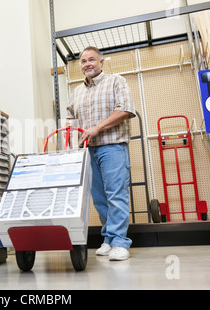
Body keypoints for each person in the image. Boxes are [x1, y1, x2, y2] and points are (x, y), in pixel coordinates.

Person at [67, 46, 136, 261]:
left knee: (116, 193)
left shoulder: (116, 81)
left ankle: (120, 242)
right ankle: (108, 238)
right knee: (99, 197)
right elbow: (71, 120)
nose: (87, 64)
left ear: (101, 62)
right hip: (88, 150)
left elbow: (125, 109)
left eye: (91, 60)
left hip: (112, 145)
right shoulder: (77, 91)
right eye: (83, 61)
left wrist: (97, 128)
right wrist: (71, 144)